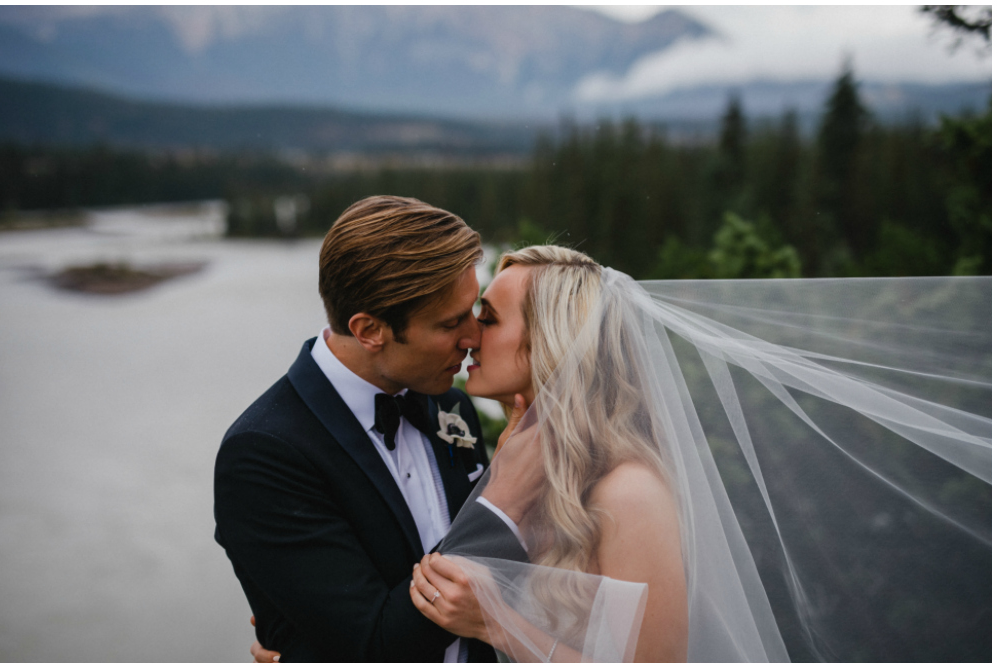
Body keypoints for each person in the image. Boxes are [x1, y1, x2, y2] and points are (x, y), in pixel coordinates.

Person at [251, 243, 991, 662]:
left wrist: (497, 623)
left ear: (552, 341)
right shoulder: (501, 441)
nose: (471, 335)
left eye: (488, 316)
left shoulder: (627, 489)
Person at [214, 196, 526, 662]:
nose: (474, 337)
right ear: (369, 330)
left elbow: (499, 576)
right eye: (450, 323)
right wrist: (506, 487)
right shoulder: (264, 453)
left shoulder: (450, 406)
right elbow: (373, 645)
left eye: (473, 310)